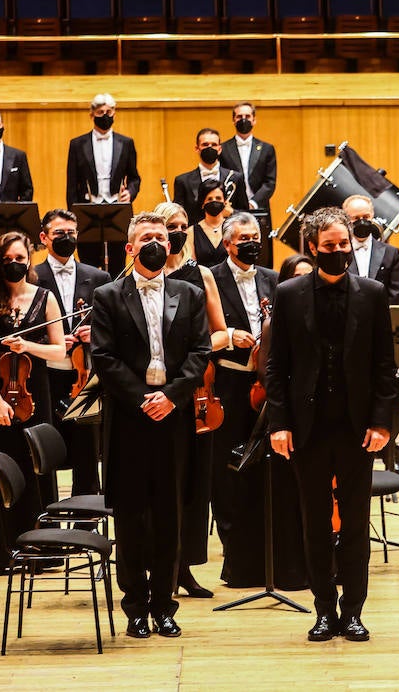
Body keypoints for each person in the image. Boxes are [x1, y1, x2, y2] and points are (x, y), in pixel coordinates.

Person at [265, 207, 398, 643]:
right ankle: (323, 610)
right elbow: (276, 366)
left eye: (344, 245)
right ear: (312, 248)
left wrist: (382, 423)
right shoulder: (288, 293)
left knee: (356, 524)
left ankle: (354, 611)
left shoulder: (373, 292)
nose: (339, 251)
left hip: (357, 427)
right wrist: (279, 424)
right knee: (316, 523)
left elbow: (385, 366)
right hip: (309, 428)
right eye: (329, 246)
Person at [90, 213, 211, 639]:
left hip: (173, 420)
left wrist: (171, 396)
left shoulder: (189, 293)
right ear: (130, 247)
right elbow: (103, 358)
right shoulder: (106, 296)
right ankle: (135, 607)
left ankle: (164, 605)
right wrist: (143, 398)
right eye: (147, 237)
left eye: (161, 236)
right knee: (130, 517)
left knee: (169, 517)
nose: (156, 242)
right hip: (129, 420)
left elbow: (200, 353)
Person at [207, 212, 306, 591]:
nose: (251, 242)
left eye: (256, 236)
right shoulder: (210, 278)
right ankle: (237, 553)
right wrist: (231, 335)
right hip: (229, 382)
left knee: (270, 468)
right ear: (228, 243)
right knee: (229, 467)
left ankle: (271, 552)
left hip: (269, 385)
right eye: (243, 238)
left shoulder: (271, 278)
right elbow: (201, 331)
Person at [0, 231, 65, 573]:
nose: (14, 264)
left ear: (29, 260)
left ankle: (42, 548)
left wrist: (29, 347)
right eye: (7, 259)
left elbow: (60, 350)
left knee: (35, 465)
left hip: (34, 391)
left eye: (20, 259)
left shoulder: (45, 298)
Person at [153, 200, 232, 598]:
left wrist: (194, 351)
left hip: (195, 389)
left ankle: (183, 567)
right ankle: (156, 566)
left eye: (184, 225)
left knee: (192, 484)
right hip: (155, 389)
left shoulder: (202, 274)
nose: (179, 231)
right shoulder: (138, 277)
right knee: (161, 481)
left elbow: (220, 332)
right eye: (171, 225)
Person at [33, 208, 112, 495]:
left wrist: (97, 333)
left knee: (87, 451)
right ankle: (46, 512)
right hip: (45, 373)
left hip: (86, 373)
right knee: (45, 446)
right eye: (59, 234)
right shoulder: (31, 278)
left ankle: (86, 520)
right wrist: (50, 339)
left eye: (71, 233)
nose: (66, 238)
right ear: (43, 237)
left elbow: (114, 323)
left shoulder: (100, 277)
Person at [65, 93, 140, 271]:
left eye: (109, 111)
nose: (105, 115)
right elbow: (71, 184)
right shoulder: (77, 144)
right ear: (92, 115)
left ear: (115, 113)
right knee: (87, 264)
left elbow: (135, 178)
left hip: (117, 209)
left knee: (118, 264)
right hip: (87, 210)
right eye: (100, 112)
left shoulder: (126, 143)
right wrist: (73, 217)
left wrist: (130, 191)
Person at [173, 127, 249, 225]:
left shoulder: (236, 178)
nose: (210, 147)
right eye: (205, 145)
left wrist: (232, 213)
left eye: (214, 145)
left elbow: (247, 214)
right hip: (196, 236)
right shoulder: (182, 181)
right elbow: (179, 215)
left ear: (220, 149)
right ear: (197, 148)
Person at [344, 194, 399, 306]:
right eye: (356, 218)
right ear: (347, 219)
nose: (362, 222)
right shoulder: (340, 251)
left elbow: (395, 296)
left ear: (372, 216)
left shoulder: (391, 253)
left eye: (366, 217)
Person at [220, 101, 277, 212]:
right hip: (231, 208)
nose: (243, 119)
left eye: (247, 116)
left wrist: (253, 203)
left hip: (259, 207)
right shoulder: (223, 149)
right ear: (233, 120)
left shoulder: (267, 149)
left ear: (254, 120)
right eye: (239, 116)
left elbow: (269, 183)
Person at [192, 178, 233, 267]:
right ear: (203, 203)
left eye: (218, 198)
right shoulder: (191, 232)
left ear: (225, 201)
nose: (214, 201)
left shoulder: (233, 228)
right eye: (210, 199)